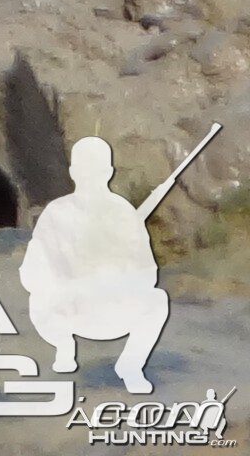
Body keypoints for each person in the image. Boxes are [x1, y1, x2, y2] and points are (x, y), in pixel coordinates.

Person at [22, 137, 175, 392]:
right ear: (110, 172)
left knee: (157, 300)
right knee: (40, 298)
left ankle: (131, 366)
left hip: (111, 311)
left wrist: (115, 275)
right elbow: (32, 274)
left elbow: (148, 275)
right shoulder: (57, 213)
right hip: (68, 311)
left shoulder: (124, 213)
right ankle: (64, 347)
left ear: (72, 172)